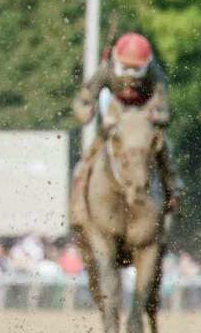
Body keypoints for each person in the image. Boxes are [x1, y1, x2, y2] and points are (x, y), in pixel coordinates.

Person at [72, 32, 181, 219]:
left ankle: (173, 192)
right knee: (92, 152)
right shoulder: (107, 69)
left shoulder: (154, 73)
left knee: (163, 150)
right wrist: (86, 113)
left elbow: (163, 107)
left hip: (144, 116)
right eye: (126, 68)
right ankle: (79, 199)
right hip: (117, 114)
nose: (131, 76)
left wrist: (157, 116)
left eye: (136, 69)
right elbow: (84, 98)